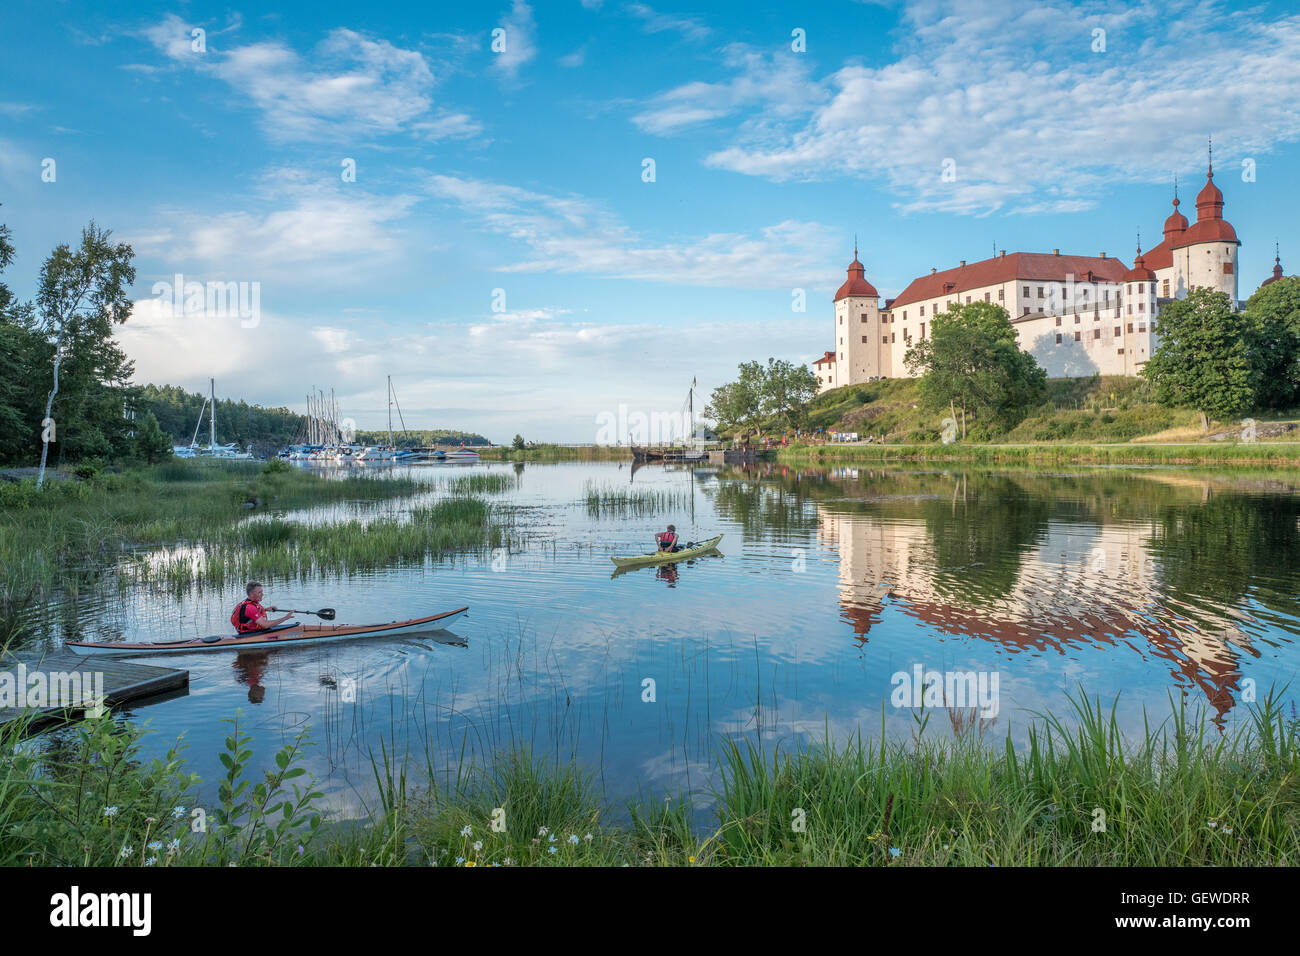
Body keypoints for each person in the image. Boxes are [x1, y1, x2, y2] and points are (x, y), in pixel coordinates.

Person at [230, 582, 295, 634]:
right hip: (250, 635)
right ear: (251, 594)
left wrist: (265, 609)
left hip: (253, 632)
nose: (262, 594)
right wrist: (285, 618)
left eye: (262, 592)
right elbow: (265, 625)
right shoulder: (250, 607)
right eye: (259, 592)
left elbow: (249, 616)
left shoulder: (248, 602)